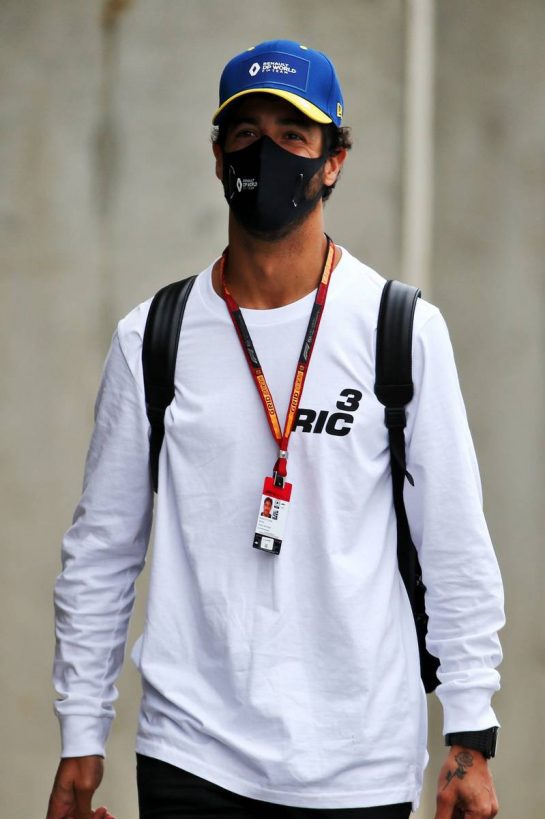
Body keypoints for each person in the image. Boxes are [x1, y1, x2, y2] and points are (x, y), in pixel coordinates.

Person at [47, 39, 504, 819]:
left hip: (358, 762)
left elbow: (453, 541)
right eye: (245, 134)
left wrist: (470, 733)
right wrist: (81, 738)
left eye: (293, 136)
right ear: (218, 157)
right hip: (191, 754)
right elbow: (101, 552)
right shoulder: (152, 336)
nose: (267, 153)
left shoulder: (399, 329)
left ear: (333, 160)